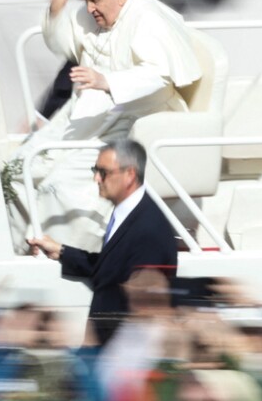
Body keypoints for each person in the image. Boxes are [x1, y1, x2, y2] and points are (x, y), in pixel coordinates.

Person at [12, 0, 203, 251]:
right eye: (86, 1)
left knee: (62, 188)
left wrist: (108, 81)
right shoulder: (97, 13)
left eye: (95, 0)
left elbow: (160, 74)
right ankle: (19, 247)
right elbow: (66, 45)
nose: (89, 9)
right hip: (89, 113)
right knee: (21, 166)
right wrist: (56, 12)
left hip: (136, 123)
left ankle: (65, 256)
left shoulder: (147, 18)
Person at [27, 140, 177, 346]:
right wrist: (61, 252)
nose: (96, 178)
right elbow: (111, 268)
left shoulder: (148, 229)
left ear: (129, 175)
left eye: (103, 172)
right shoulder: (127, 214)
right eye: (95, 170)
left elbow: (144, 306)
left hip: (121, 355)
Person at [40, 0, 120, 120]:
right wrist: (55, 11)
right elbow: (62, 47)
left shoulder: (142, 13)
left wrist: (107, 82)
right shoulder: (84, 13)